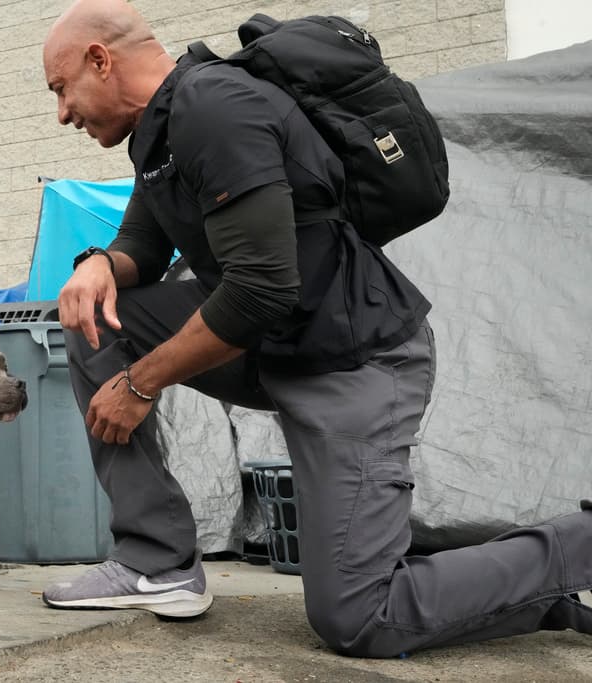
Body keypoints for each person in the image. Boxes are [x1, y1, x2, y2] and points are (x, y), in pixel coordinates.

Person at [39, 0, 592, 657]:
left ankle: (571, 552)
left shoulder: (214, 108)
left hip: (354, 364)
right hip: (274, 348)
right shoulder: (161, 131)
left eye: (61, 89)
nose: (62, 112)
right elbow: (145, 244)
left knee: (360, 617)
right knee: (96, 318)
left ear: (100, 60)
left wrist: (140, 382)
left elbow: (260, 290)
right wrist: (99, 264)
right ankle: (156, 561)